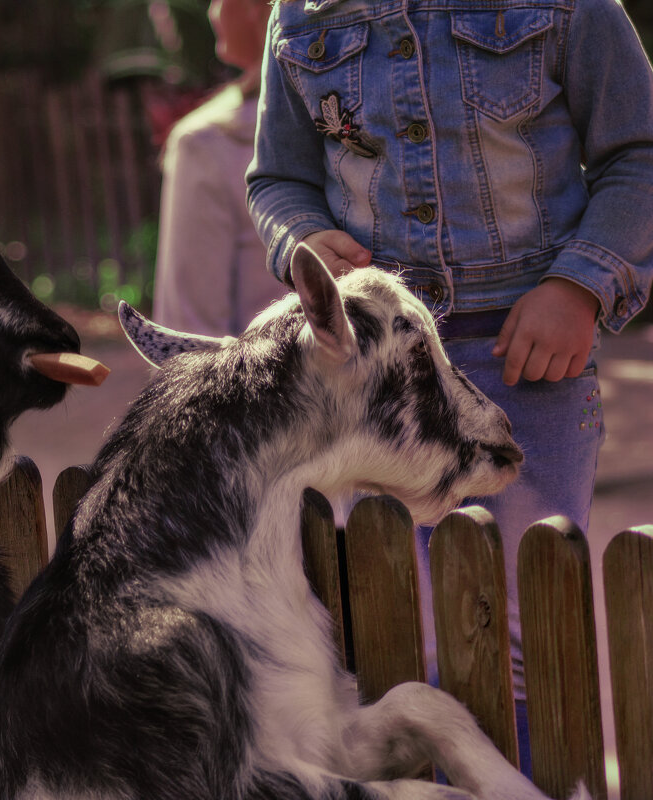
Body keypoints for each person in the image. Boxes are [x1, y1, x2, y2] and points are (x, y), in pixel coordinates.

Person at [247, 0, 653, 774]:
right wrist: (299, 237)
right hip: (372, 382)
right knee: (398, 626)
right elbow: (278, 179)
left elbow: (640, 153)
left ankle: (537, 786)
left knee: (522, 635)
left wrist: (582, 284)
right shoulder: (298, 15)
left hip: (528, 361)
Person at [151, 0, 281, 336]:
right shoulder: (361, 123)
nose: (213, 11)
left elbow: (187, 337)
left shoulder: (206, 143)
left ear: (261, 9)